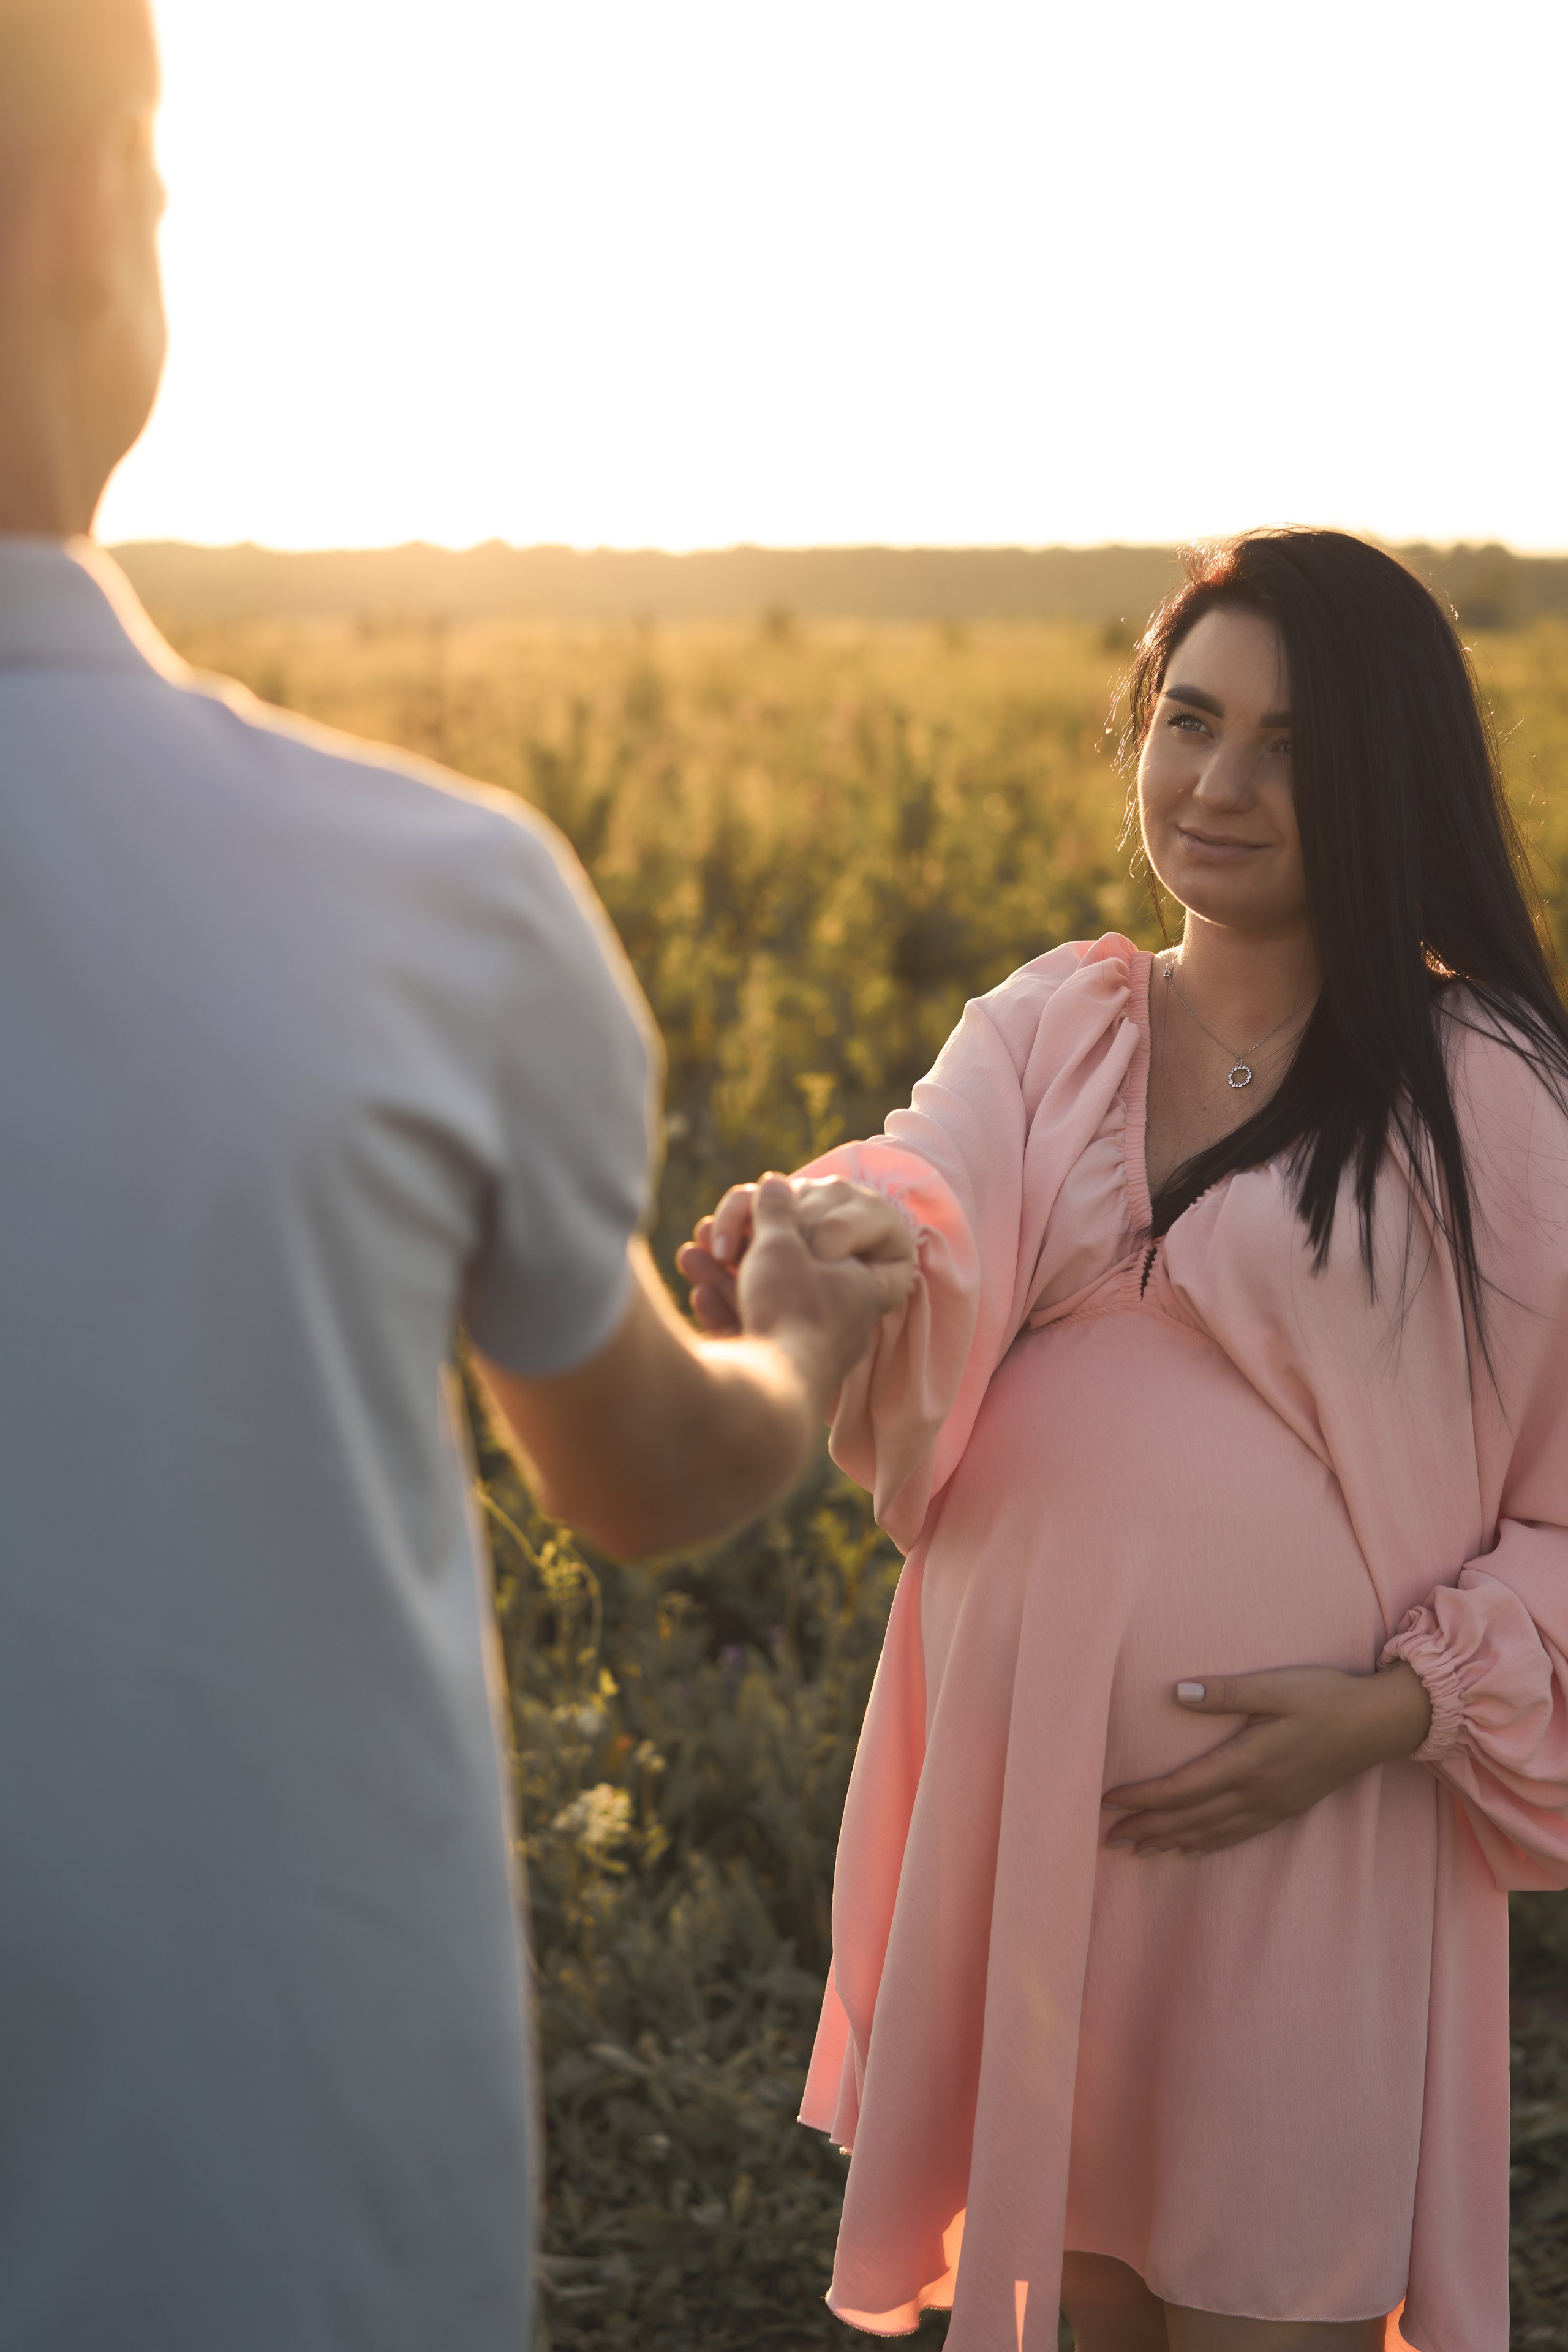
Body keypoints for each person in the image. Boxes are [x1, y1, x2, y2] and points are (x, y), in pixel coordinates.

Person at [0, 5, 913, 2348]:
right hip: (267, 2185)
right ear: (111, 213)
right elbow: (629, 1466)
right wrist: (800, 1348)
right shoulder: (419, 902)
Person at [680, 529, 1568, 2352]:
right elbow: (928, 1183)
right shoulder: (1055, 1025)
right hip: (1035, 1823)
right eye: (1189, 721)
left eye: (1291, 747)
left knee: (1269, 2301)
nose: (1218, 785)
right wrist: (827, 1234)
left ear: (1389, 773)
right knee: (1064, 2303)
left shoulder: (1495, 1097)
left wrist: (1400, 1713)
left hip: (1307, 1826)